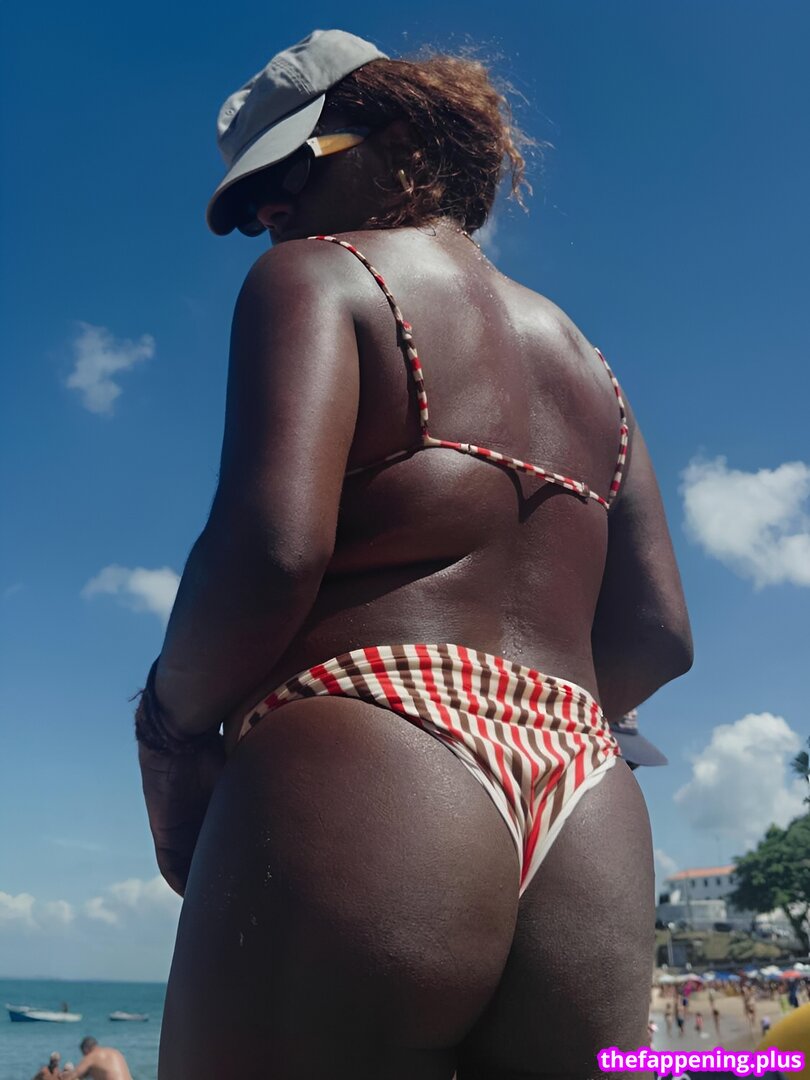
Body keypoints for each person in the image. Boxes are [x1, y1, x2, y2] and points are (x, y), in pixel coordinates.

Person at [136, 28, 692, 1078]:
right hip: (586, 795)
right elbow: (661, 635)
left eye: (289, 173)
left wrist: (164, 736)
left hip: (371, 762)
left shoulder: (322, 278)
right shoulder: (592, 368)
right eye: (251, 207)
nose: (268, 217)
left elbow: (269, 552)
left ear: (398, 134)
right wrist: (514, 702)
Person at [60, 1037, 132, 1080]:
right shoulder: (114, 1052)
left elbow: (72, 1076)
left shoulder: (91, 1056)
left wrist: (61, 1076)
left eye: (84, 1054)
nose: (84, 1057)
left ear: (85, 1049)